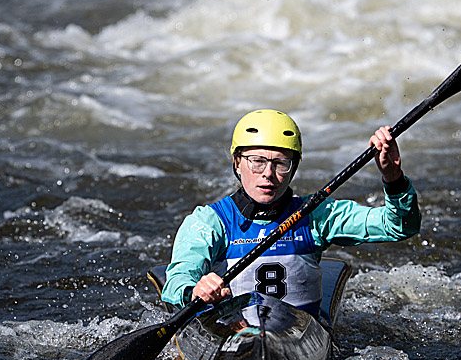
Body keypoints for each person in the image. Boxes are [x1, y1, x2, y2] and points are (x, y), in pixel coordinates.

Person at [161, 109, 420, 319]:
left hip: (297, 338)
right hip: (233, 337)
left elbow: (398, 226)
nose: (268, 174)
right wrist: (194, 290)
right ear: (237, 163)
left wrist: (392, 176)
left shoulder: (316, 214)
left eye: (281, 163)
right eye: (257, 161)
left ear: (293, 168)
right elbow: (175, 284)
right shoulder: (209, 222)